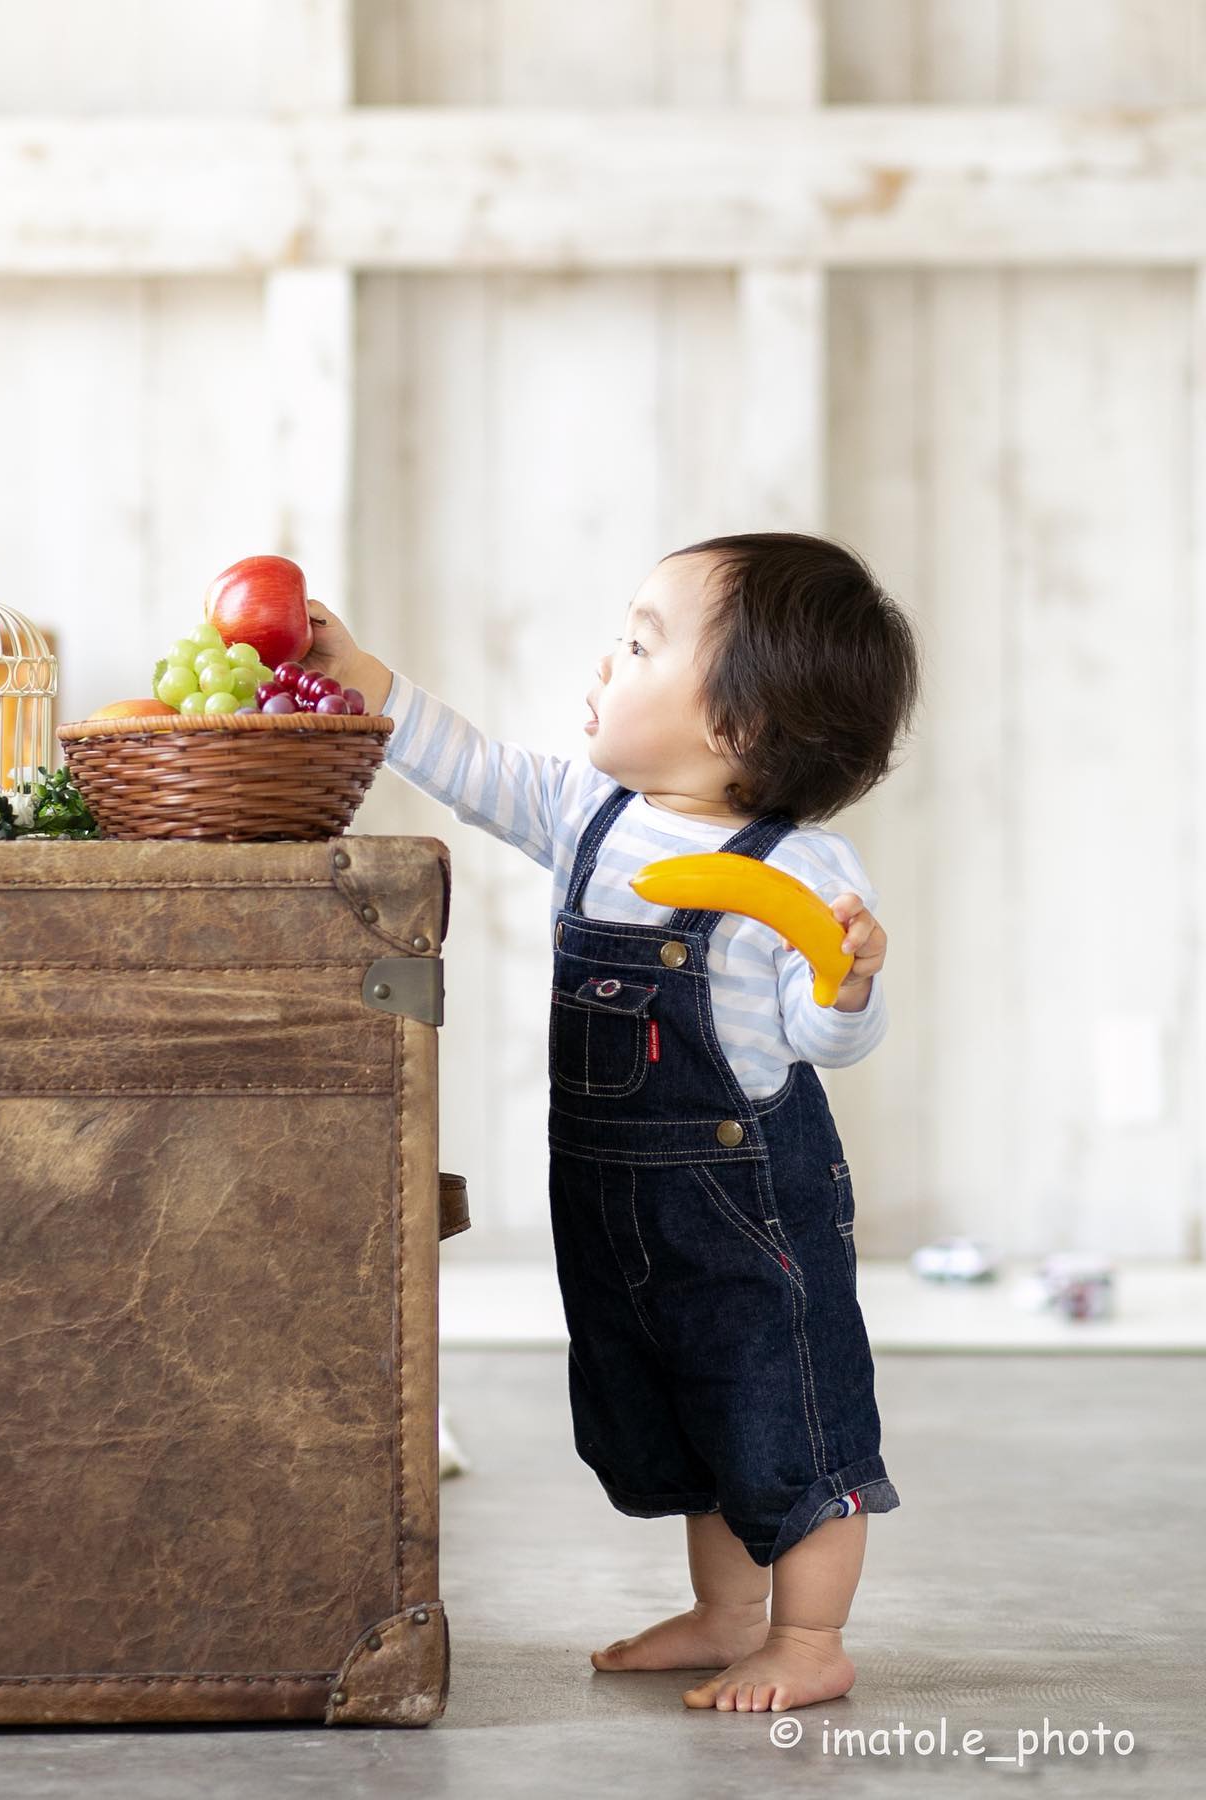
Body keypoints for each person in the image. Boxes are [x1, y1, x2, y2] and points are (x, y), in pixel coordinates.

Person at [302, 532, 923, 1714]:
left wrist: (846, 981)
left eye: (640, 644)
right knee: (679, 1416)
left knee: (781, 1408)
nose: (606, 658)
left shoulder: (802, 870)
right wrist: (369, 679)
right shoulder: (590, 813)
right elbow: (473, 767)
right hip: (612, 1199)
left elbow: (825, 1040)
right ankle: (725, 1614)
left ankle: (808, 1636)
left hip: (749, 1213)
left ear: (737, 729)